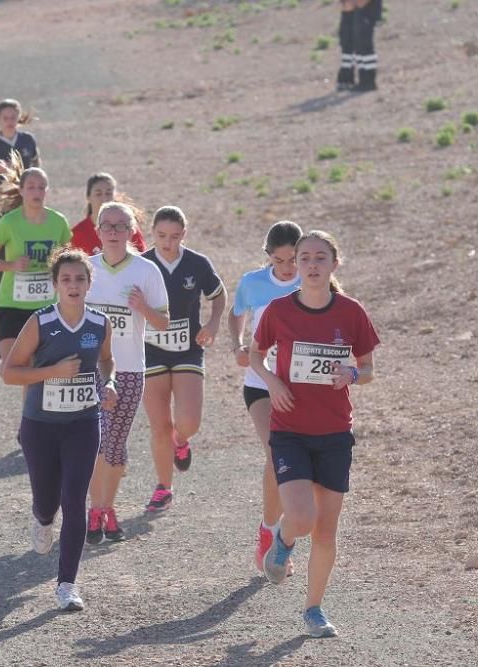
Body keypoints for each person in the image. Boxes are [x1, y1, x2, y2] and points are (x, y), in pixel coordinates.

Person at [250, 230, 380, 638]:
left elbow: (369, 369)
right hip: (289, 429)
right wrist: (272, 382)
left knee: (326, 529)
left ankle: (314, 609)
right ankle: (283, 541)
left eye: (320, 257)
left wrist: (353, 374)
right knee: (302, 517)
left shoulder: (352, 312)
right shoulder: (278, 310)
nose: (311, 264)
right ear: (295, 264)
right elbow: (254, 354)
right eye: (304, 257)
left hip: (335, 432)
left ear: (334, 264)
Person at [2, 246, 117, 612]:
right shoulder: (41, 322)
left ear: (89, 283)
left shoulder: (99, 323)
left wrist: (109, 382)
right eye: (66, 279)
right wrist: (52, 372)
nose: (73, 285)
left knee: (75, 501)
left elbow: (107, 359)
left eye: (80, 279)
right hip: (40, 426)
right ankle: (41, 518)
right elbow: (9, 371)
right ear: (55, 284)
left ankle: (67, 584)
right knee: (47, 503)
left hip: (84, 423)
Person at [84, 202, 169, 544]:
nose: (115, 232)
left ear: (132, 231)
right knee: (99, 443)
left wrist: (142, 307)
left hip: (131, 369)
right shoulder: (85, 268)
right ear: (98, 230)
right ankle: (96, 510)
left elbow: (163, 322)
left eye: (122, 226)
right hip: (90, 370)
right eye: (108, 226)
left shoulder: (146, 272)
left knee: (115, 444)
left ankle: (106, 507)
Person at [228, 220, 303, 574]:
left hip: (302, 388)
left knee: (299, 463)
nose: (287, 268)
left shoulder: (313, 282)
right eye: (279, 261)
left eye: (293, 260)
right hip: (260, 383)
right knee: (275, 451)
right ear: (268, 257)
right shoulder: (253, 283)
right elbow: (235, 314)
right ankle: (270, 534)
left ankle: (284, 531)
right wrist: (238, 344)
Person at [140, 206, 226, 512]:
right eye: (162, 236)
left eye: (175, 236)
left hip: (188, 347)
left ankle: (181, 439)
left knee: (189, 421)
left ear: (184, 235)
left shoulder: (197, 263)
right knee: (159, 424)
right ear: (152, 233)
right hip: (149, 350)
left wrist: (214, 323)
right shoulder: (142, 264)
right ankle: (164, 486)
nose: (168, 242)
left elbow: (218, 295)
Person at [0, 166, 70, 385]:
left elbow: (69, 259)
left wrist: (57, 267)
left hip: (45, 306)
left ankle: (30, 418)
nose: (37, 192)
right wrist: (12, 265)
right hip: (12, 304)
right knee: (15, 370)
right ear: (21, 191)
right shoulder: (9, 222)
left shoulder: (58, 222)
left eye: (41, 187)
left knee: (33, 370)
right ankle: (1, 358)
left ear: (47, 190)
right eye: (31, 187)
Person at [0, 98, 42, 300]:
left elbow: (39, 169)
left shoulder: (27, 140)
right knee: (2, 254)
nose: (10, 121)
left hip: (26, 204)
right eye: (5, 117)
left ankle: (30, 299)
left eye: (13, 117)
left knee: (30, 250)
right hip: (0, 206)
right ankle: (3, 301)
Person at [69, 173, 146, 255]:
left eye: (108, 193)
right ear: (88, 197)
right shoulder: (77, 234)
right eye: (98, 194)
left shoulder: (128, 228)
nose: (104, 199)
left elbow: (142, 258)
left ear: (115, 196)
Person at [337, 0, 381, 92]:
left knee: (364, 44)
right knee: (354, 43)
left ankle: (368, 80)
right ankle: (357, 79)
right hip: (357, 11)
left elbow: (360, 3)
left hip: (367, 10)